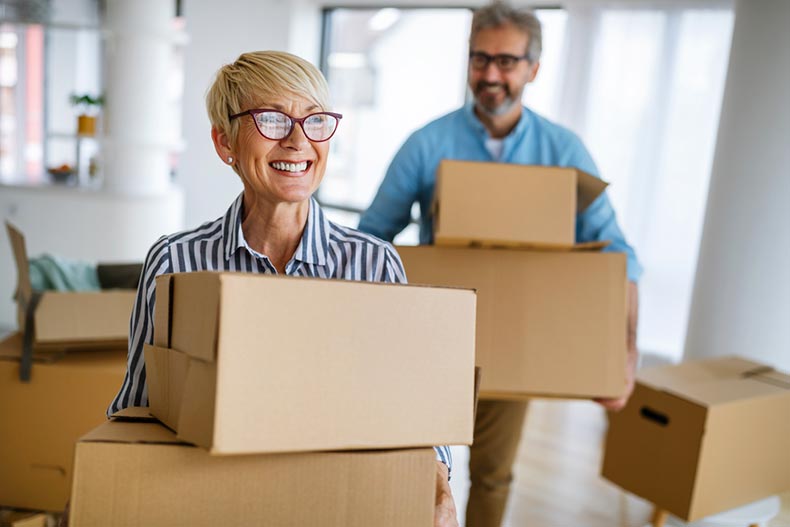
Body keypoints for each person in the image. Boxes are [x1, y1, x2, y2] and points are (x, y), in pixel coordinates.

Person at [105, 51, 459, 527]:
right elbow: (137, 405)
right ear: (223, 141)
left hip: (339, 507)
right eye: (272, 120)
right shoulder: (175, 263)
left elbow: (415, 410)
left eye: (315, 122)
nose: (298, 141)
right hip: (210, 505)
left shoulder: (374, 264)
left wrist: (438, 486)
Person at [358, 3, 642, 527]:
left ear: (533, 68)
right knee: (411, 467)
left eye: (507, 61)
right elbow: (372, 239)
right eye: (480, 58)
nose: (491, 74)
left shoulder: (562, 150)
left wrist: (623, 354)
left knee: (493, 474)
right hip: (432, 339)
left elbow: (619, 255)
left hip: (516, 342)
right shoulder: (428, 144)